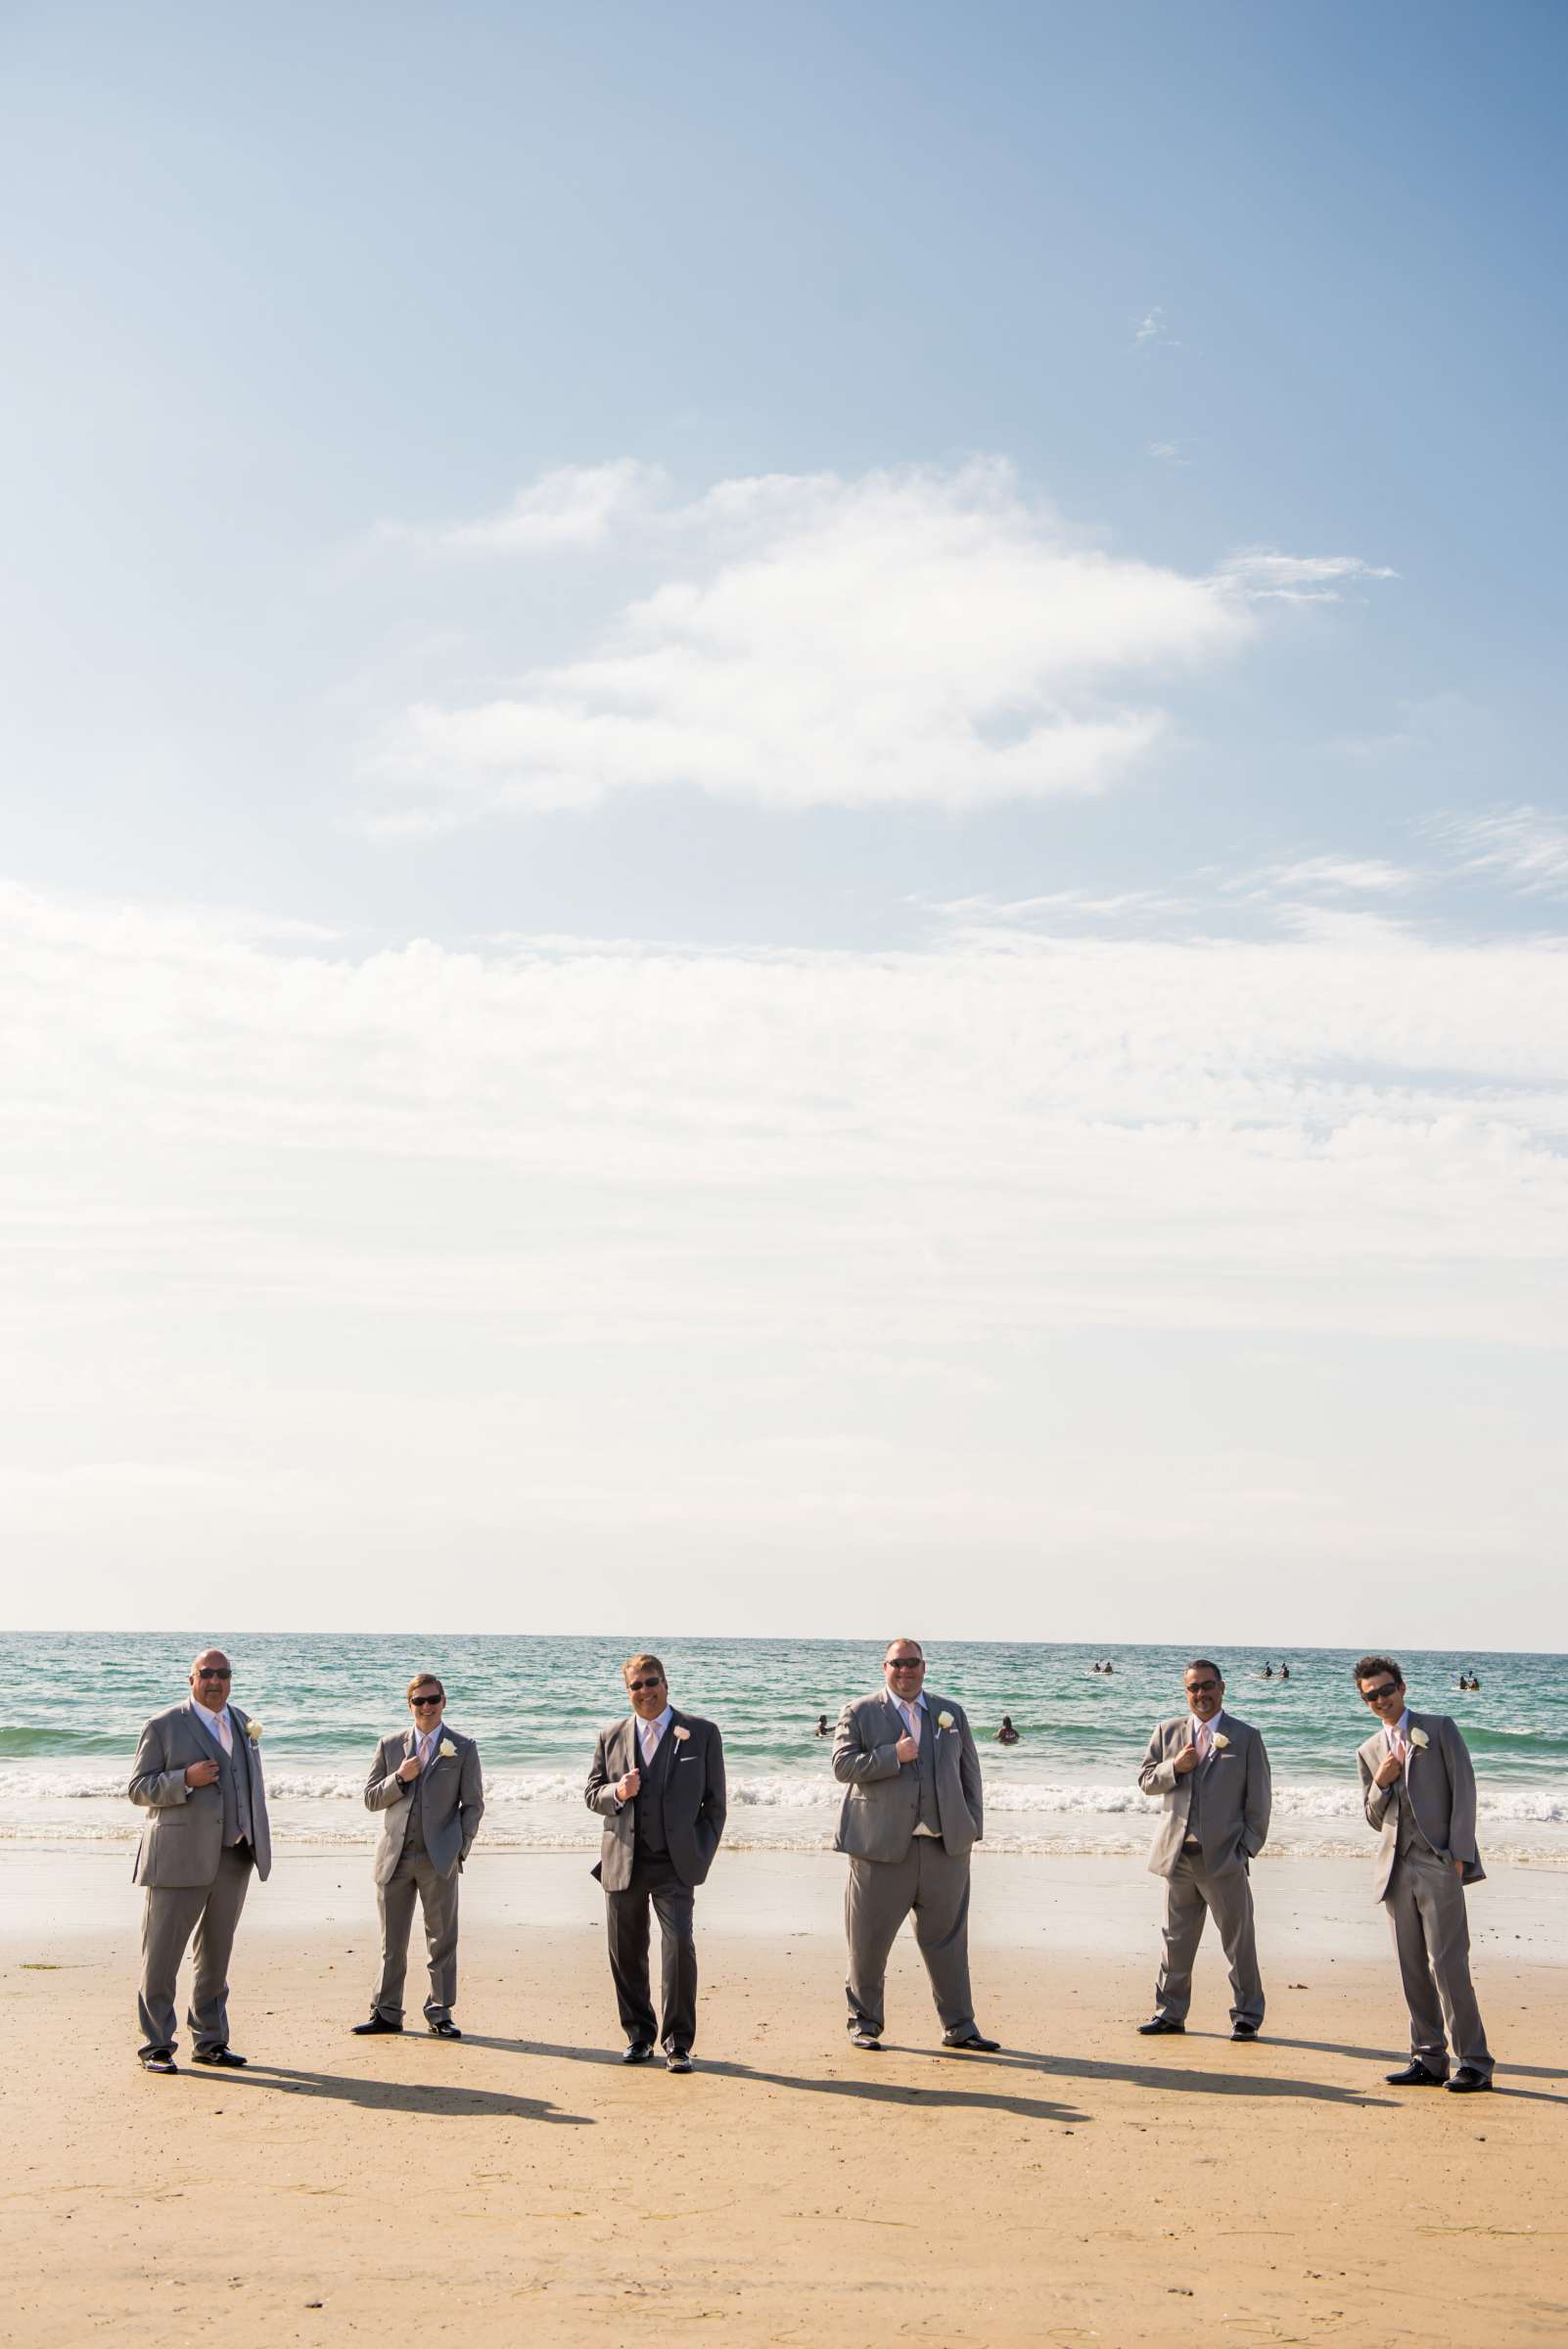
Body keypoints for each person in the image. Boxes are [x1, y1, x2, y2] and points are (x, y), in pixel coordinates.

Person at [832, 1639, 997, 2053]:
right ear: (884, 1667)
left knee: (949, 1943)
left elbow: (969, 1774)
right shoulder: (860, 1711)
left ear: (924, 1667)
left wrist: (971, 1828)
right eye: (897, 1663)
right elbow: (842, 1766)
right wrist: (893, 1755)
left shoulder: (950, 1712)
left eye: (913, 1663)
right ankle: (864, 2024)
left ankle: (960, 2027)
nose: (905, 1671)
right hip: (880, 1849)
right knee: (868, 1942)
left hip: (944, 1849)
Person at [128, 1648, 272, 2074]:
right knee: (162, 1954)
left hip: (235, 1857)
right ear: (190, 1679)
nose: (215, 1681)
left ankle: (210, 2040)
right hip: (178, 1857)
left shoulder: (242, 1721)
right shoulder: (163, 1725)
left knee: (215, 1954)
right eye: (206, 1673)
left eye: (223, 1673)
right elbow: (138, 1788)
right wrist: (183, 1781)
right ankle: (156, 2044)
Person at [1354, 1656, 1493, 2094]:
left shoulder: (1439, 1728)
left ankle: (1474, 2061)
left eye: (1386, 1690)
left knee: (1448, 1964)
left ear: (1402, 1687)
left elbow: (1464, 1791)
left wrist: (1458, 1856)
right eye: (1371, 1695)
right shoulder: (1368, 1750)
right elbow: (1374, 1818)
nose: (1380, 1699)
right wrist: (1381, 1780)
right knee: (1411, 1966)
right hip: (1395, 1869)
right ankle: (1428, 2057)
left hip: (1438, 1862)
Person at [585, 1653, 726, 2073]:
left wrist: (701, 1852)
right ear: (627, 1691)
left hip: (676, 1864)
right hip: (623, 1859)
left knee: (679, 1945)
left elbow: (715, 1805)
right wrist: (619, 1793)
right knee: (625, 1952)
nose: (645, 1692)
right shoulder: (610, 1736)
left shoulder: (701, 1733)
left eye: (651, 1682)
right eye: (636, 1686)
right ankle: (639, 2036)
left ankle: (678, 2042)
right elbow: (593, 1794)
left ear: (666, 1683)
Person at [1135, 1658, 1270, 2042]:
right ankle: (1169, 2013)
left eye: (1208, 1686)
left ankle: (1246, 2015)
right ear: (1186, 1692)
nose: (1201, 1694)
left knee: (1238, 1942)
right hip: (1176, 1857)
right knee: (1175, 1940)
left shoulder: (1245, 1737)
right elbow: (1146, 1781)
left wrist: (1245, 1849)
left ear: (1222, 1688)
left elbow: (1258, 1803)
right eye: (1194, 1688)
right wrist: (1174, 1767)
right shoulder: (1167, 1731)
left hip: (1224, 1858)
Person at [353, 1672, 484, 2039]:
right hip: (394, 1856)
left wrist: (460, 1847)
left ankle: (440, 2011)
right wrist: (398, 1777)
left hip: (438, 1858)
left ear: (444, 1701)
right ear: (409, 1705)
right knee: (390, 1941)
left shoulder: (463, 1747)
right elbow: (370, 1799)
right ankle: (386, 2011)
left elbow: (473, 1804)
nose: (426, 1707)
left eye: (432, 1700)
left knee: (441, 1938)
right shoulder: (390, 1745)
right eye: (419, 1701)